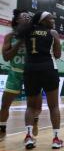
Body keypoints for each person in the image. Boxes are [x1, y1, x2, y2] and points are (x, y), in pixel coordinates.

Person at [16, 11, 62, 149]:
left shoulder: (27, 31)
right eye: (50, 18)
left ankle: (29, 137)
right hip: (48, 69)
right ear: (42, 20)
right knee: (53, 106)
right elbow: (58, 54)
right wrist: (57, 41)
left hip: (30, 70)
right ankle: (55, 139)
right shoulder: (53, 33)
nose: (53, 20)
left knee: (30, 106)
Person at [0, 10, 41, 141]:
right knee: (5, 104)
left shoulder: (35, 35)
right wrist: (20, 42)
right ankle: (2, 128)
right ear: (17, 20)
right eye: (25, 17)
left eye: (30, 17)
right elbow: (6, 57)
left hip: (32, 73)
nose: (28, 18)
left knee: (36, 106)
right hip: (15, 73)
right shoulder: (10, 36)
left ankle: (34, 121)